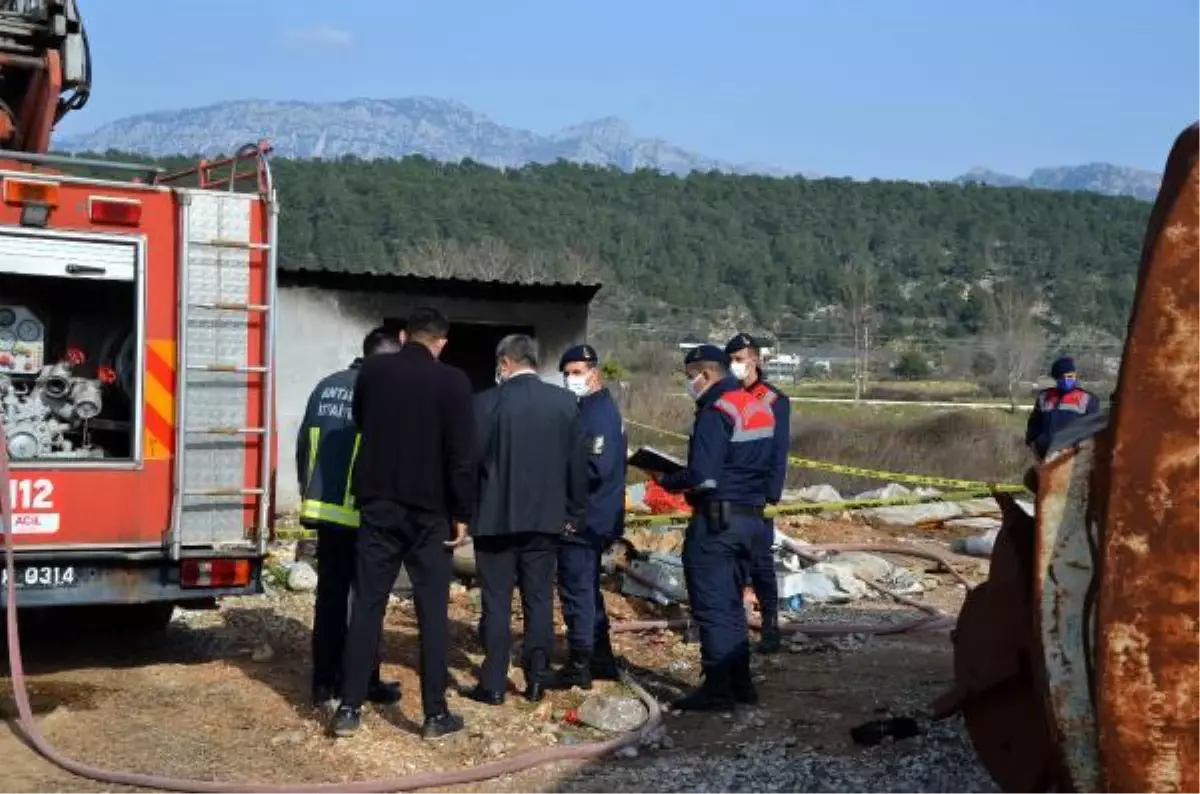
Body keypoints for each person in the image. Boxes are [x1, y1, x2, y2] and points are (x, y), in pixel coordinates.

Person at [328, 307, 477, 741]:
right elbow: (462, 456)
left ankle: (349, 708)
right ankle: (434, 715)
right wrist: (462, 514)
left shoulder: (373, 372)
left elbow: (361, 422)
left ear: (403, 334)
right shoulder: (454, 382)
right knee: (431, 612)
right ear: (442, 342)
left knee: (369, 605)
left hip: (379, 506)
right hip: (430, 514)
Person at [460, 334, 588, 706]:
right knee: (538, 600)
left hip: (494, 521)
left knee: (496, 602)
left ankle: (494, 683)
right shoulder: (564, 403)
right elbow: (576, 466)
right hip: (545, 520)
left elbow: (469, 465)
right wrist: (574, 512)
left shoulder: (484, 404)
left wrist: (463, 514)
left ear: (505, 362)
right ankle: (536, 678)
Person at [653, 344, 775, 711]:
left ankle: (718, 688)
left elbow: (703, 477)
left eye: (689, 378)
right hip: (751, 519)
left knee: (712, 604)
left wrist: (667, 478)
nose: (689, 384)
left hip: (718, 522)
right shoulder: (756, 405)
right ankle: (740, 683)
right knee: (733, 603)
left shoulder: (714, 410)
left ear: (705, 375)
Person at [297, 327, 404, 710]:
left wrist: (308, 495)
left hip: (323, 511)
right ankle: (364, 681)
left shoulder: (325, 386)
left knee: (329, 597)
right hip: (363, 514)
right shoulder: (380, 393)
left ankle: (323, 684)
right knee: (367, 602)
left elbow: (302, 443)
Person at [545, 344, 628, 691]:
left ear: (594, 372)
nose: (569, 378)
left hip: (586, 518)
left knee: (577, 589)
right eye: (566, 372)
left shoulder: (598, 414)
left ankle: (579, 664)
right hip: (595, 515)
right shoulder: (589, 410)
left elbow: (594, 468)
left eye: (577, 371)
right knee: (588, 589)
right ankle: (601, 658)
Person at [724, 332, 790, 654]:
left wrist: (771, 496)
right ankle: (730, 624)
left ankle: (770, 625)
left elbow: (779, 453)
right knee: (728, 560)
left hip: (758, 494)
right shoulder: (726, 394)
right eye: (731, 360)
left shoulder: (774, 399)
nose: (736, 365)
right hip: (729, 492)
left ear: (755, 360)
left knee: (760, 561)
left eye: (740, 359)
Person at [1024, 356, 1099, 460]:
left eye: (1071, 376)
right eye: (1064, 377)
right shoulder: (1044, 397)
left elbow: (1093, 428)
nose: (1069, 379)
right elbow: (1034, 424)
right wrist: (1033, 442)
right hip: (1045, 455)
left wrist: (1082, 445)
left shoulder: (1088, 399)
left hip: (1073, 457)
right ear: (1057, 378)